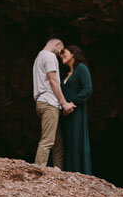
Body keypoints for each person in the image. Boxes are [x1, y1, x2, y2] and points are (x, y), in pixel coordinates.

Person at [32, 38, 75, 168]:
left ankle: (58, 173)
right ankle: (37, 170)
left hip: (41, 102)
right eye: (60, 50)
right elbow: (53, 81)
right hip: (49, 102)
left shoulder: (39, 57)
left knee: (57, 145)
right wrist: (64, 103)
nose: (60, 54)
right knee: (47, 141)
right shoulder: (49, 56)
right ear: (56, 44)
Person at [59, 45, 93, 174]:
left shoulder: (81, 69)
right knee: (67, 141)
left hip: (76, 111)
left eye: (64, 52)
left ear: (73, 54)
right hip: (65, 113)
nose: (61, 55)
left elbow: (87, 89)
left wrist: (73, 103)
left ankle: (80, 173)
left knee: (76, 139)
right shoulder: (67, 74)